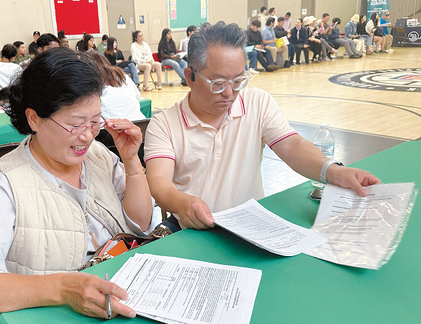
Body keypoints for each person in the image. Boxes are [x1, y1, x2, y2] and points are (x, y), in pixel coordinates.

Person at [0, 47, 156, 323]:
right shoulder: (6, 184)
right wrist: (62, 288)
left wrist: (131, 163)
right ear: (34, 119)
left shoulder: (98, 155)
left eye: (95, 121)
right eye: (75, 124)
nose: (87, 136)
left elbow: (141, 224)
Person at [143, 21, 381, 230]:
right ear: (189, 77)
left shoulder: (257, 102)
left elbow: (292, 145)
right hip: (196, 231)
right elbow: (159, 183)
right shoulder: (164, 124)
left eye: (238, 81)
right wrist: (182, 202)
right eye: (217, 83)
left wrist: (333, 171)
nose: (229, 92)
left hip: (250, 227)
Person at [86, 51, 145, 121]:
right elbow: (137, 95)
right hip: (139, 122)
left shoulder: (92, 80)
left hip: (111, 128)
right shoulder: (122, 75)